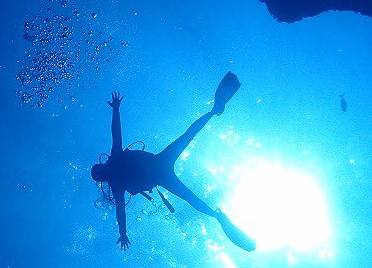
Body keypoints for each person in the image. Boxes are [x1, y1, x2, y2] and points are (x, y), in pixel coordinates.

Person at [90, 73, 256, 252]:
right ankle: (213, 112)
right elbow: (116, 134)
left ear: (103, 175)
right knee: (188, 137)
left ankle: (217, 216)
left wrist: (123, 233)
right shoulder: (115, 173)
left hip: (160, 168)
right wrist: (115, 109)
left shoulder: (115, 181)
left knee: (190, 187)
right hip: (160, 165)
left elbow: (116, 133)